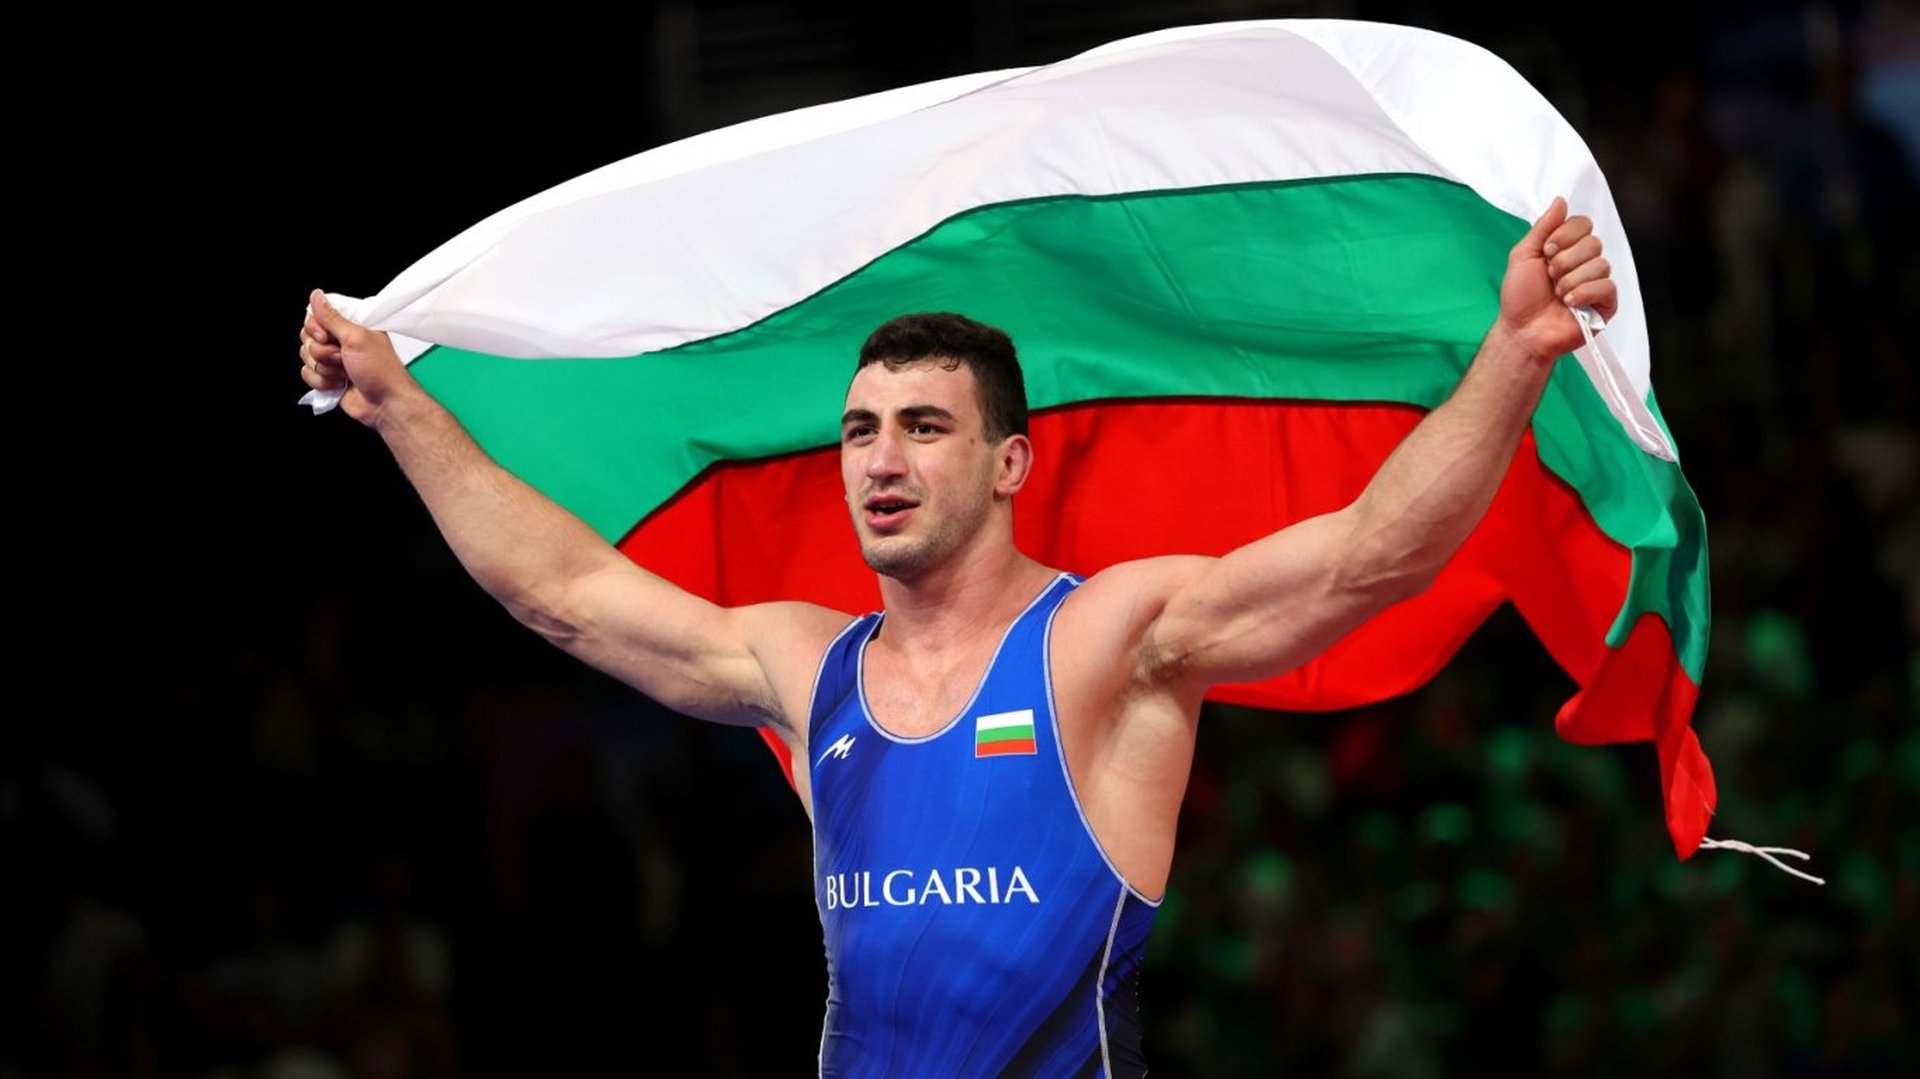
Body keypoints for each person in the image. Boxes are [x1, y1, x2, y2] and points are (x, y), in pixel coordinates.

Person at [298, 196, 1616, 1075]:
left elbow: (1369, 555)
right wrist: (398, 406)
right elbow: (565, 591)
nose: (881, 459)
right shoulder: (807, 668)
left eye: (924, 428)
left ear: (1009, 464)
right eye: (861, 432)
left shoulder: (1107, 640)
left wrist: (1515, 351)